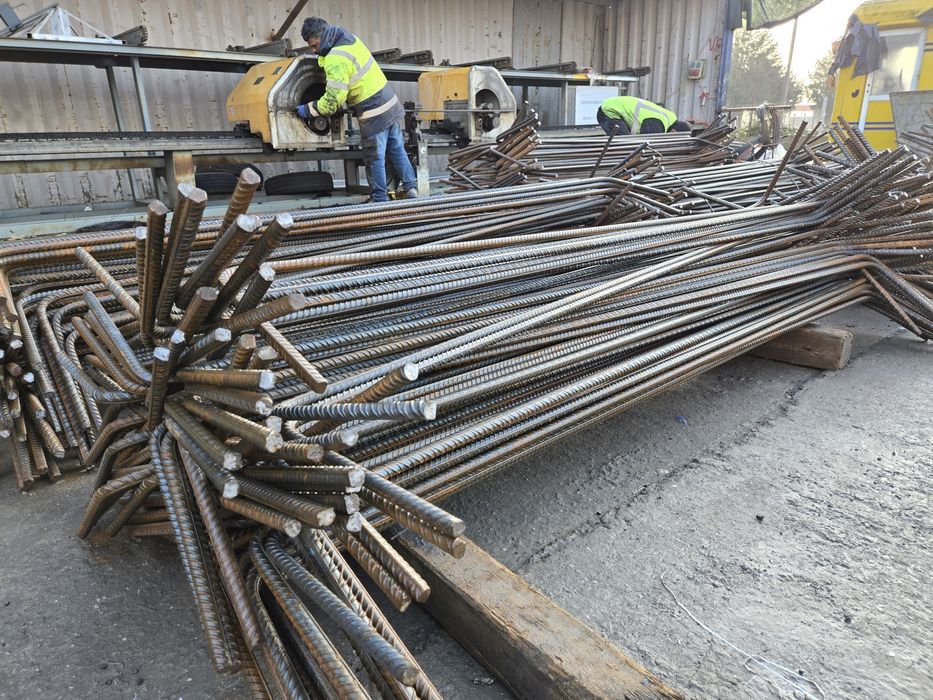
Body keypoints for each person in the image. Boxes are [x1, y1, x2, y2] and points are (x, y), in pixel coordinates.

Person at [295, 17, 417, 202]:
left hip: (373, 111)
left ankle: (379, 199)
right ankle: (411, 188)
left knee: (375, 157)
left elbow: (332, 102)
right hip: (390, 103)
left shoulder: (336, 58)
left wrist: (308, 109)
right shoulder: (349, 38)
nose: (314, 50)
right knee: (396, 150)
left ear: (323, 35)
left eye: (315, 45)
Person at [596, 96, 691, 136]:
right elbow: (645, 143)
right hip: (610, 111)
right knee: (624, 143)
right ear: (674, 132)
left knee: (627, 141)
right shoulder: (658, 125)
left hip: (613, 107)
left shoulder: (667, 119)